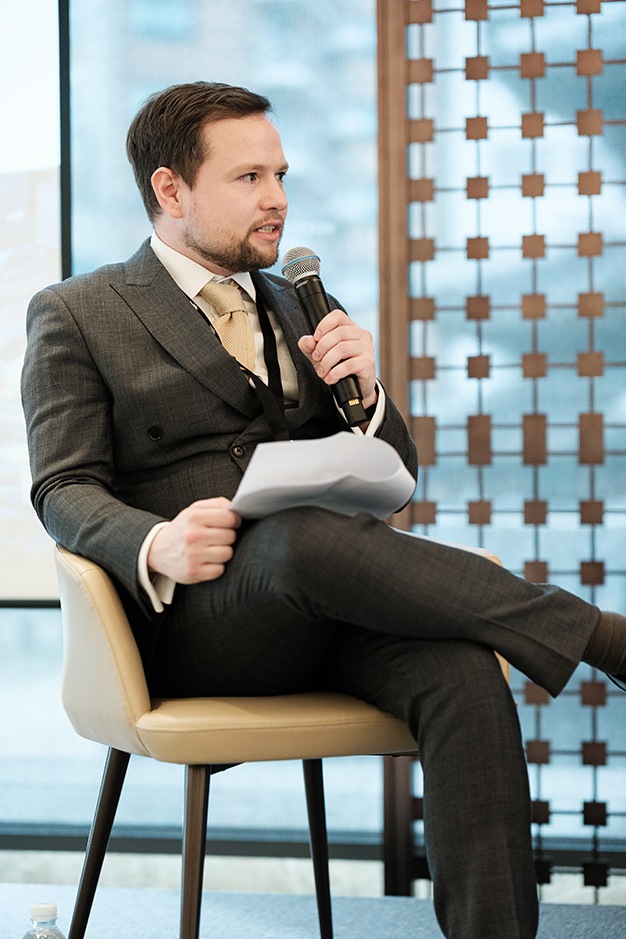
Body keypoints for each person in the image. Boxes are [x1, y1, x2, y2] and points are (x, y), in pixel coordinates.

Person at [21, 81, 626, 939]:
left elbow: (396, 478)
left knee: (462, 670)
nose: (277, 198)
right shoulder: (79, 313)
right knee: (299, 537)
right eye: (249, 178)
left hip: (327, 608)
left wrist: (369, 395)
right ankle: (600, 637)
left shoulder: (301, 300)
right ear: (171, 190)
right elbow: (62, 487)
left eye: (281, 175)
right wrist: (156, 542)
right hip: (196, 625)